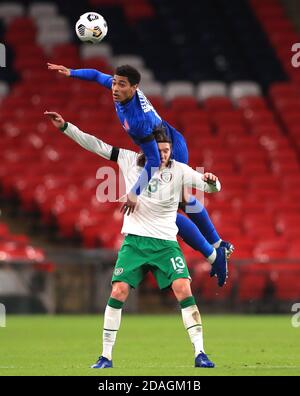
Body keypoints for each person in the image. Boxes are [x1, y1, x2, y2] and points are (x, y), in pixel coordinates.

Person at [45, 110, 228, 368]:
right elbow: (94, 144)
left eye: (167, 150)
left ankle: (200, 353)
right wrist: (66, 127)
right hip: (135, 243)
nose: (164, 155)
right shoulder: (128, 159)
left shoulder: (180, 170)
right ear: (147, 147)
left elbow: (210, 187)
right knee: (118, 291)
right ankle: (105, 356)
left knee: (183, 289)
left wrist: (213, 181)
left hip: (166, 245)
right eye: (159, 150)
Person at [47, 63, 234, 270]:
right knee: (182, 199)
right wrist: (71, 72)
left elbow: (154, 160)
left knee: (170, 208)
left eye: (121, 85)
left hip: (168, 149)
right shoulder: (119, 89)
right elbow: (97, 75)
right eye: (115, 83)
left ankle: (214, 254)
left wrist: (135, 193)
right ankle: (218, 245)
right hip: (169, 140)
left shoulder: (138, 120)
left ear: (134, 87)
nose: (115, 89)